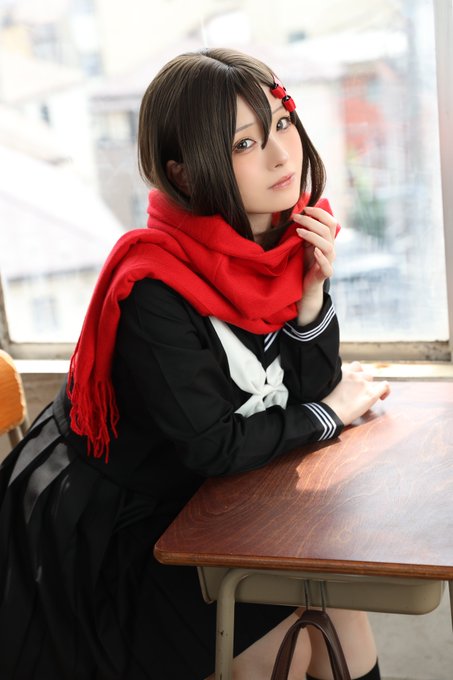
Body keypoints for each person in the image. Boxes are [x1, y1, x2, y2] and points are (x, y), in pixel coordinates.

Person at [0, 47, 390, 680]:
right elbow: (216, 445)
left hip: (213, 501)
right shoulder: (152, 286)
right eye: (244, 144)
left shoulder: (278, 242)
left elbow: (307, 387)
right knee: (292, 632)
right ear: (183, 172)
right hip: (124, 528)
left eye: (282, 123)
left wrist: (312, 298)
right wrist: (331, 414)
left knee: (340, 608)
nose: (281, 154)